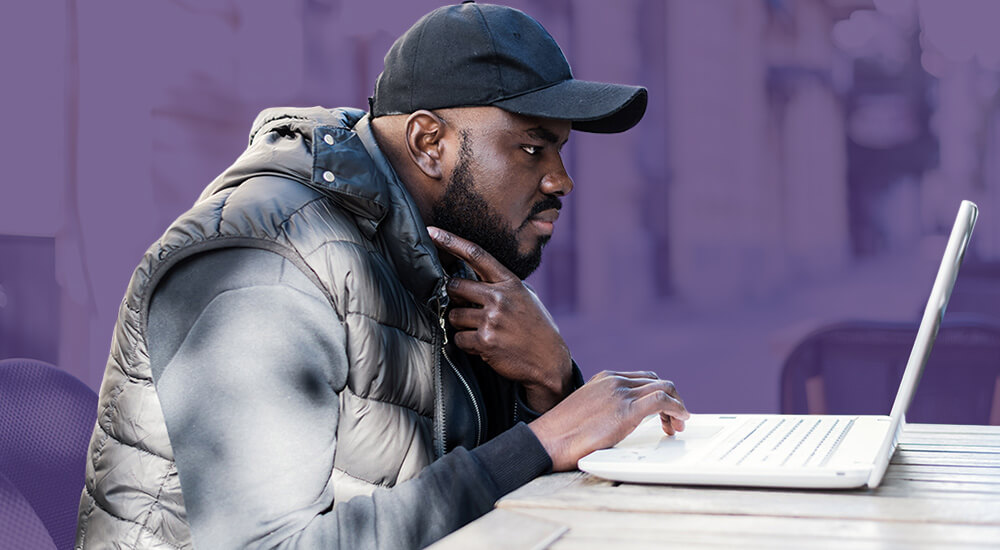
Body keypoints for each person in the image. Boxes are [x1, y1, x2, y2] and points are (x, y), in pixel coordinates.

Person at [75, 3, 689, 548]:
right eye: (532, 148)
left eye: (561, 149)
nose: (561, 179)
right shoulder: (265, 267)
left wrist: (549, 380)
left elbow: (486, 479)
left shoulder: (441, 248)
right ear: (428, 142)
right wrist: (544, 439)